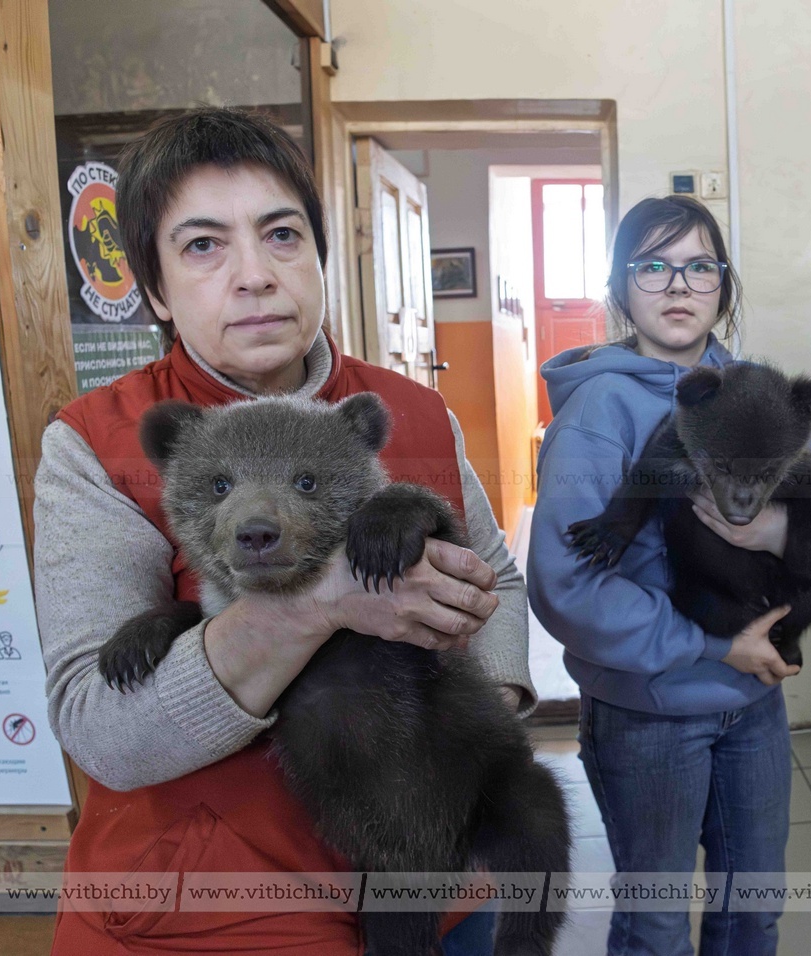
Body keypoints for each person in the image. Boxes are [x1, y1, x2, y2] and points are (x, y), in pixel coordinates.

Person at [34, 107, 534, 956]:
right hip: (209, 915)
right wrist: (316, 607)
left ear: (319, 256)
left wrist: (472, 731)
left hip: (433, 885)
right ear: (153, 287)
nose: (255, 275)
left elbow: (498, 578)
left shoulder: (409, 411)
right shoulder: (99, 442)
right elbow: (99, 726)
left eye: (281, 235)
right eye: (203, 246)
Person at [527, 195, 811, 956]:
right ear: (619, 288)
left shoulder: (763, 395)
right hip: (646, 715)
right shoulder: (600, 410)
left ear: (723, 286)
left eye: (699, 266)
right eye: (653, 266)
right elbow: (566, 588)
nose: (678, 285)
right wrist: (717, 647)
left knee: (754, 912)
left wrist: (775, 529)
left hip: (754, 707)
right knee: (656, 926)